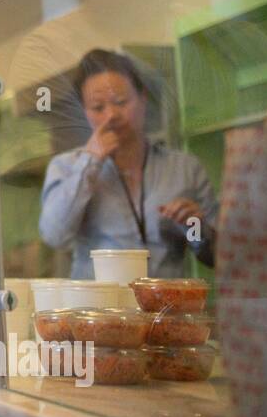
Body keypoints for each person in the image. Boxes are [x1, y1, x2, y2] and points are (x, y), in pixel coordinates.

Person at [39, 49, 216, 278]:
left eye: (121, 101)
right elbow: (54, 236)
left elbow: (214, 257)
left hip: (166, 309)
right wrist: (90, 162)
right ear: (85, 112)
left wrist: (195, 227)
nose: (112, 114)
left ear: (142, 99)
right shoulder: (65, 167)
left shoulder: (184, 168)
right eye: (98, 107)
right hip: (99, 310)